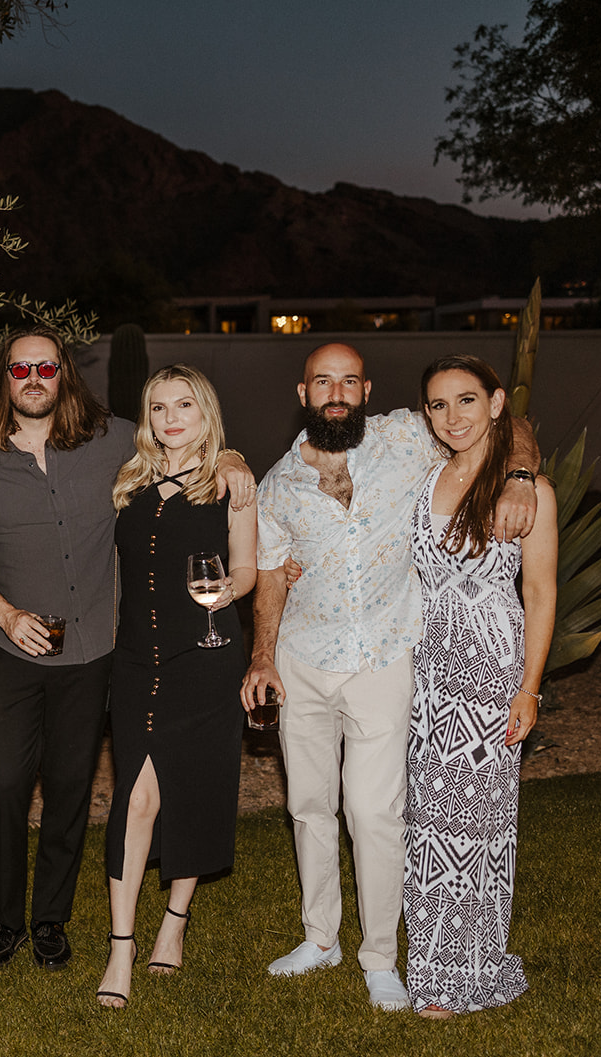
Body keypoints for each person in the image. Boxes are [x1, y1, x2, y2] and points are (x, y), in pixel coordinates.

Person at [240, 342, 539, 1012]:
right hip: (303, 659)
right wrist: (261, 654)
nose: (337, 392)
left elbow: (505, 423)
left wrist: (519, 474)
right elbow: (267, 575)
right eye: (324, 381)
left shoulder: (407, 437)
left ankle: (380, 955)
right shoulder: (277, 485)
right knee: (308, 805)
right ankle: (321, 937)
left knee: (375, 811)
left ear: (367, 389)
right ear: (303, 392)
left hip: (384, 655)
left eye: (349, 380)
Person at [0, 329, 256, 971]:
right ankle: (7, 919)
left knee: (70, 786)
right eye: (20, 367)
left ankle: (51, 920)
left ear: (63, 374)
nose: (34, 376)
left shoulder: (112, 440)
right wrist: (3, 614)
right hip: (7, 647)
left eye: (47, 366)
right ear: (4, 378)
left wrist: (233, 460)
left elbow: (188, 435)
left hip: (92, 650)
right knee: (2, 784)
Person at [92, 364, 257, 1008]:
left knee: (193, 788)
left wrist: (224, 592)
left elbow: (244, 570)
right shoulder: (127, 484)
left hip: (207, 658)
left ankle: (175, 924)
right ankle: (120, 951)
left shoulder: (231, 483)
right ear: (147, 419)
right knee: (133, 800)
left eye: (184, 405)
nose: (171, 418)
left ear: (205, 412)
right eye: (158, 408)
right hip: (135, 664)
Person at [406, 355, 556, 1019]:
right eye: (438, 405)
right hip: (424, 670)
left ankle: (469, 969)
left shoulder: (529, 492)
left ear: (497, 403)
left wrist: (530, 688)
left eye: (467, 401)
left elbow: (542, 593)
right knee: (428, 825)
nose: (453, 417)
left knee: (476, 826)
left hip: (490, 670)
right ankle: (432, 961)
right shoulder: (425, 473)